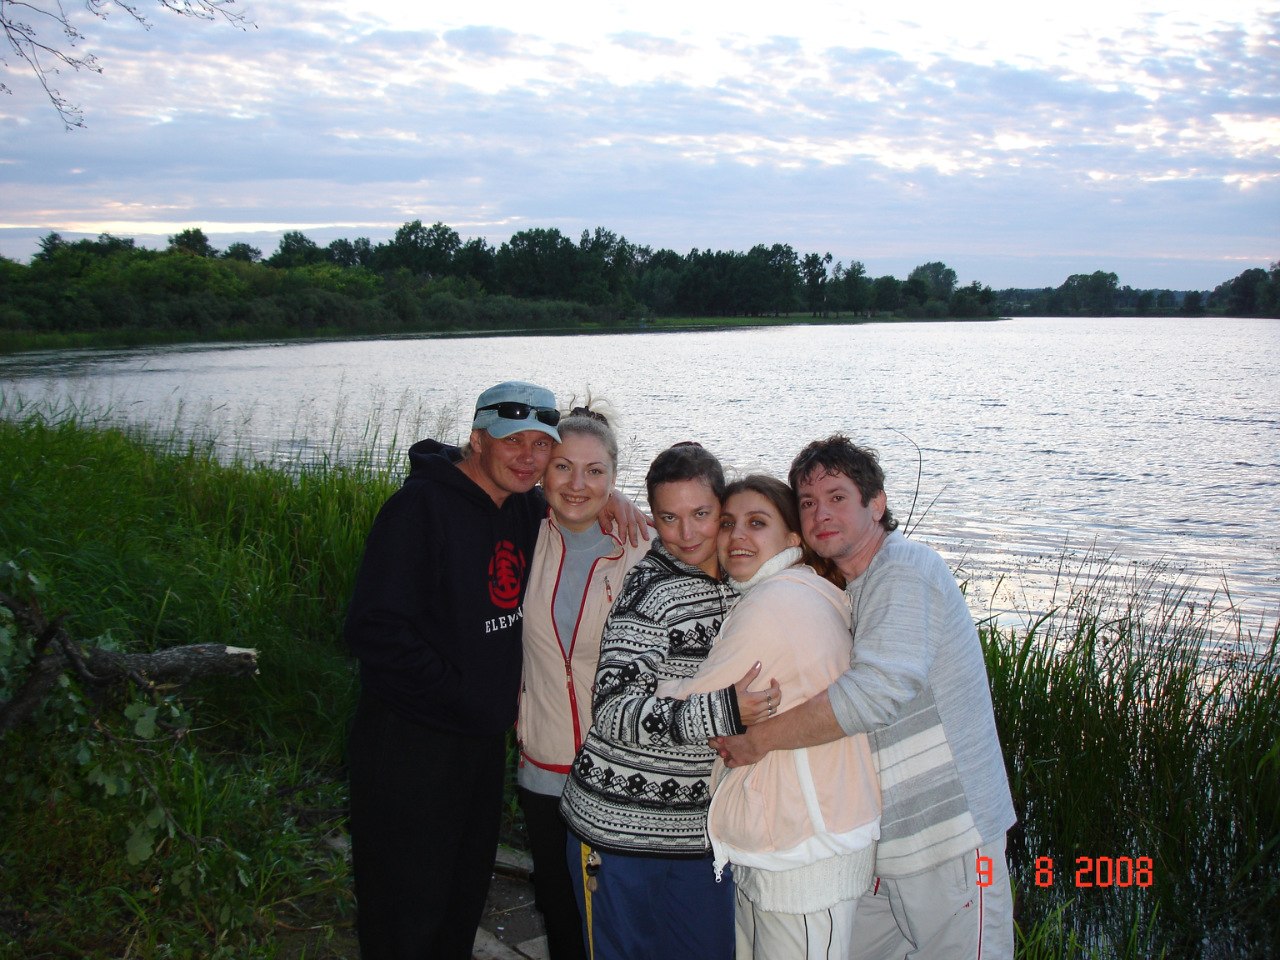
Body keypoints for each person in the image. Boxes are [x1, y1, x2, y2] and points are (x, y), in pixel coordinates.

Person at [715, 435, 1016, 959]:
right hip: (886, 842)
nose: (820, 513)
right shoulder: (849, 588)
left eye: (837, 497)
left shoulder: (904, 569)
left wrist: (758, 741)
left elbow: (874, 693)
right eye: (808, 502)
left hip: (953, 838)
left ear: (876, 504)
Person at [558, 442, 778, 960]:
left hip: (698, 835)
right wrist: (724, 711)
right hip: (617, 833)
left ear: (723, 509)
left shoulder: (744, 582)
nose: (687, 534)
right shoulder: (651, 592)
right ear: (653, 519)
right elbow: (612, 708)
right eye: (669, 518)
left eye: (701, 514)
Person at [658, 475, 881, 959]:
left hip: (806, 849)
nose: (737, 536)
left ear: (794, 537)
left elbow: (694, 703)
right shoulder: (801, 589)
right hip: (795, 833)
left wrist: (651, 686)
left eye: (757, 523)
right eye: (728, 523)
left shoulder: (776, 602)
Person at [517, 405, 650, 960]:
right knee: (561, 909)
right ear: (542, 471)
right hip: (544, 769)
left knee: (624, 913)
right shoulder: (520, 536)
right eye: (563, 467)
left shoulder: (644, 547)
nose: (577, 485)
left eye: (595, 471)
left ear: (615, 476)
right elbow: (466, 468)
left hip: (625, 773)